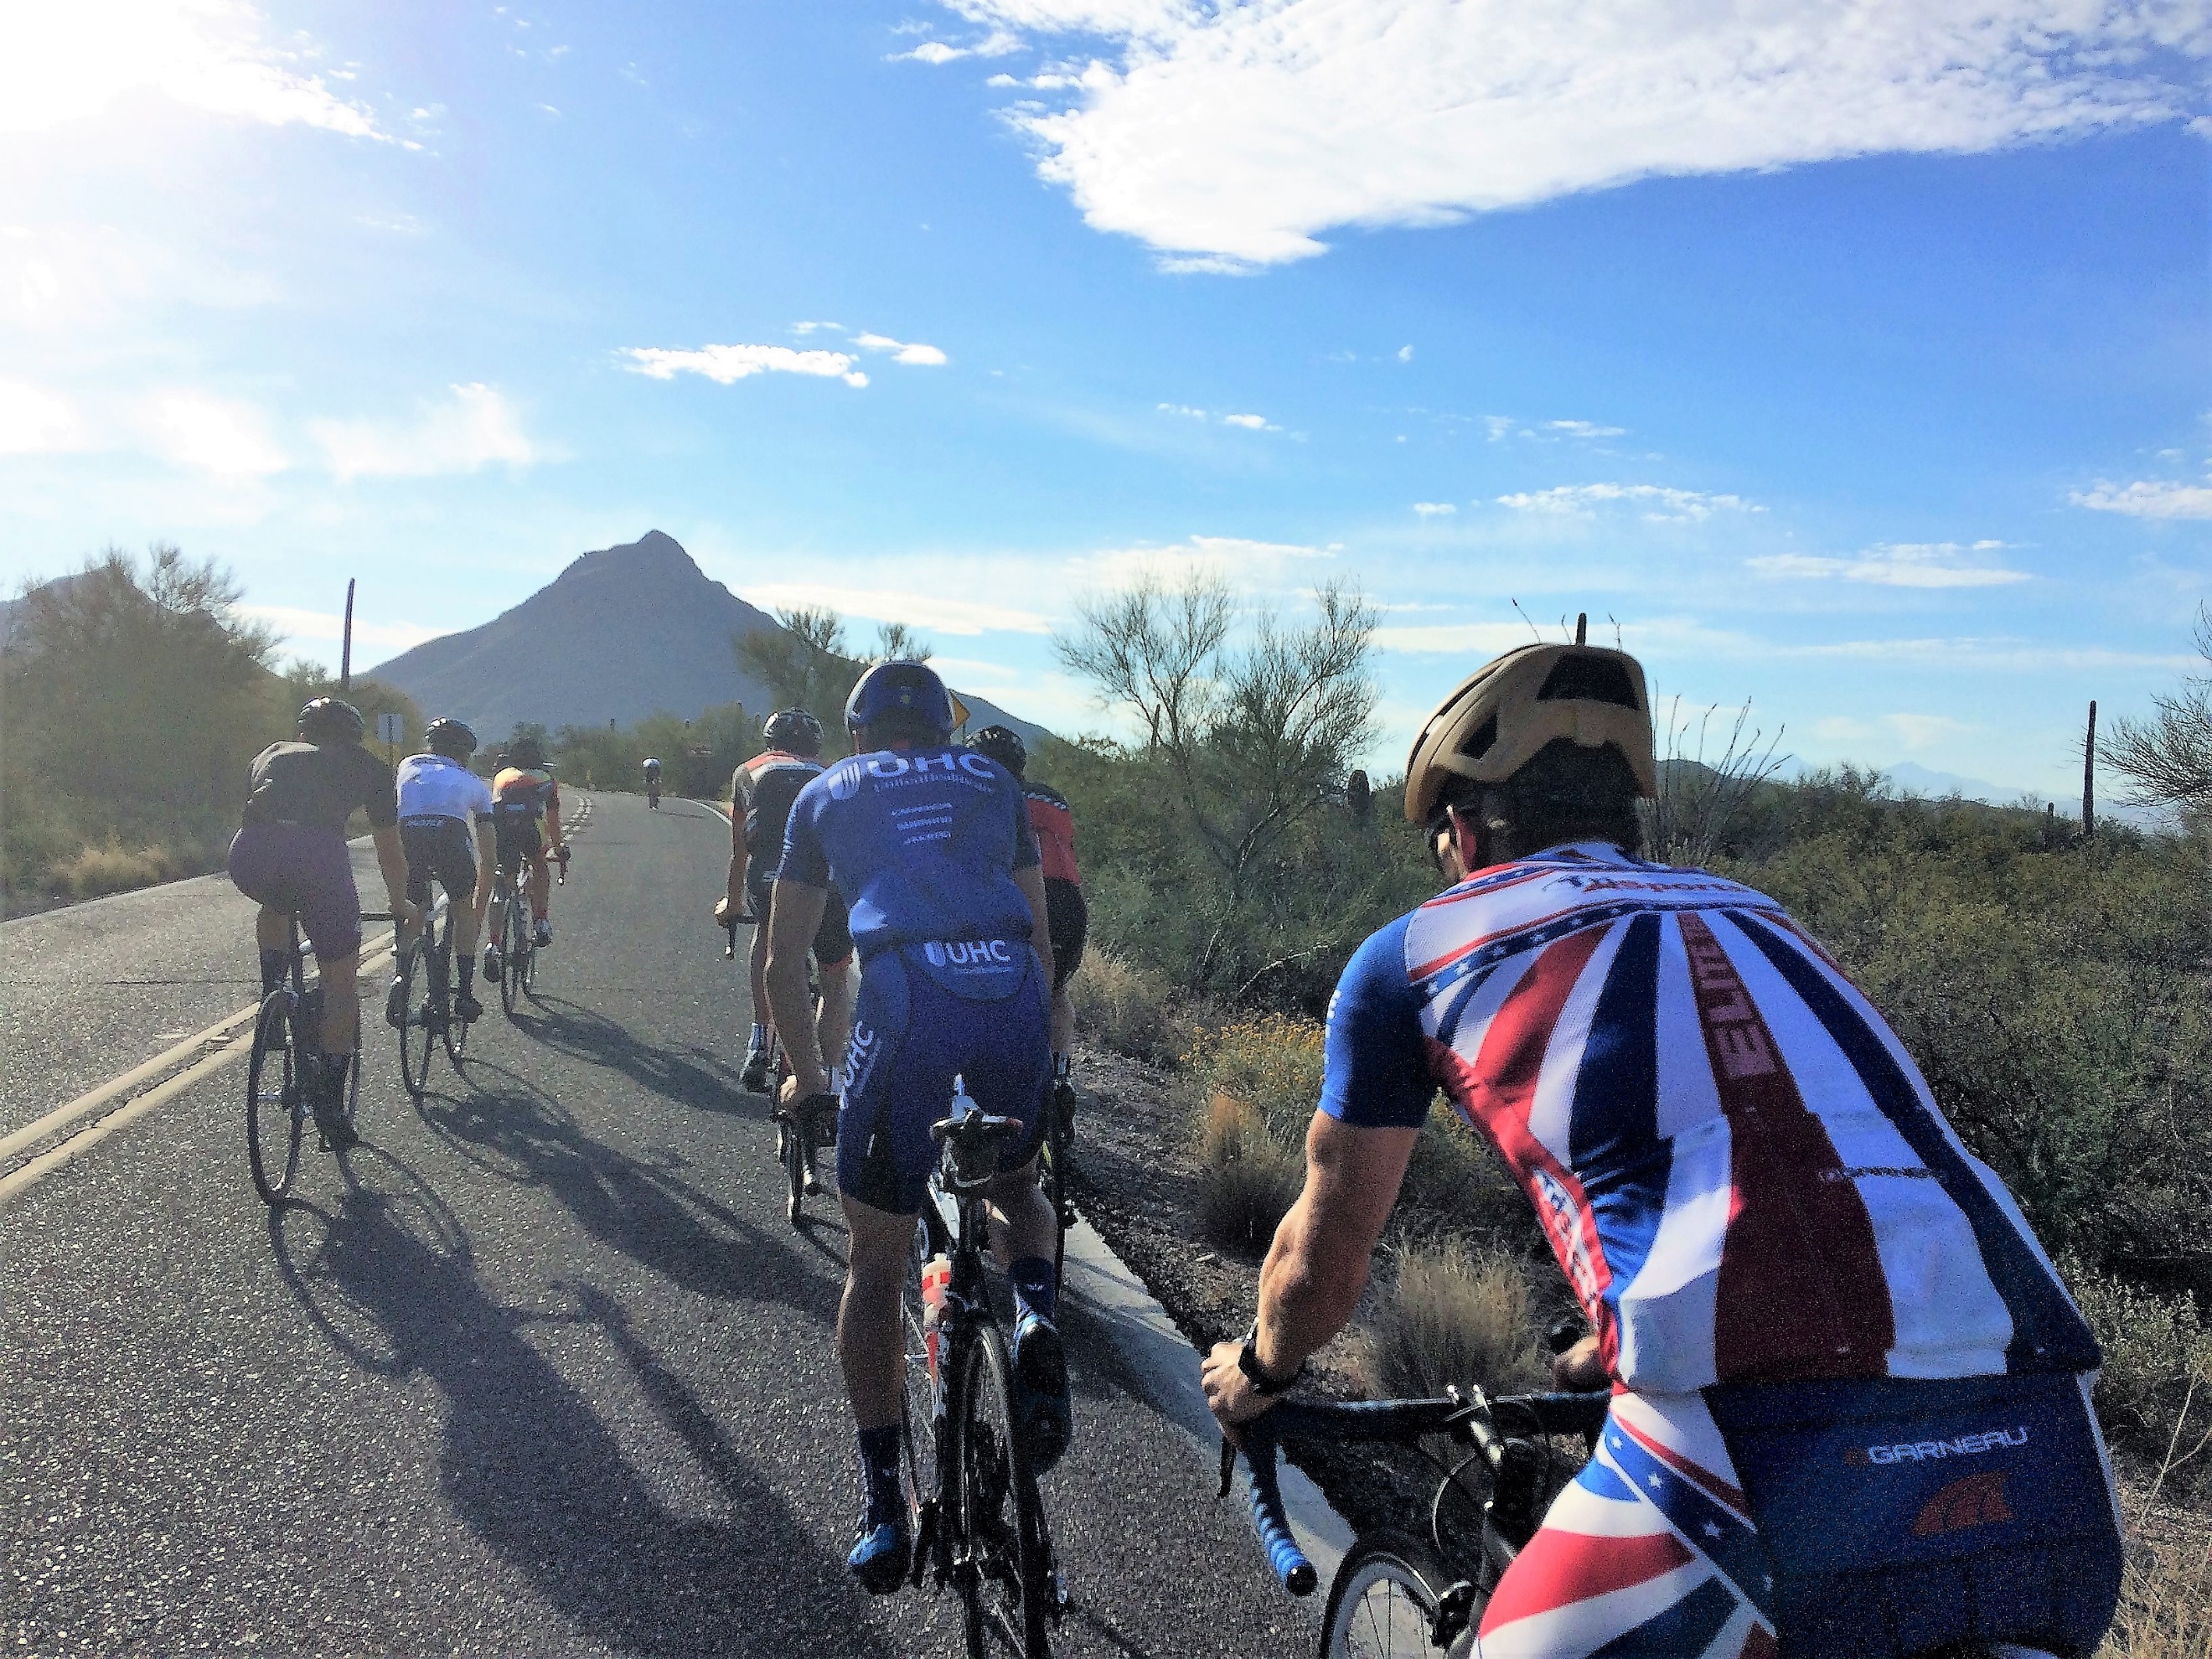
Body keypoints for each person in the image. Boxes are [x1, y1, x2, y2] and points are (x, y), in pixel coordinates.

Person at [1200, 641, 2122, 1659]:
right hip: (2055, 1462)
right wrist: (1609, 1342)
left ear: (1461, 832)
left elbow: (1323, 1263)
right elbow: (1798, 1170)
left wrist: (1259, 1373)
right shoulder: (1762, 918)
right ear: (1628, 820)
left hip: (1750, 1482)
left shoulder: (1416, 952)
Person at [763, 662, 1063, 1593]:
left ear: (857, 734)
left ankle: (885, 1504)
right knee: (1016, 1188)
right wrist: (1044, 1047)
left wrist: (808, 1076)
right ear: (944, 729)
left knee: (876, 1258)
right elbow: (1042, 937)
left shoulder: (824, 791)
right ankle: (1034, 1315)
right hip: (1010, 988)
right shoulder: (994, 780)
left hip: (905, 998)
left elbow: (782, 960)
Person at [227, 696, 419, 1147]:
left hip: (249, 854)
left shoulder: (271, 753)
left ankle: (273, 994)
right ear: (353, 737)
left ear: (302, 733)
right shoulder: (369, 766)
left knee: (276, 905)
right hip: (319, 858)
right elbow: (389, 849)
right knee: (340, 980)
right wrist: (400, 902)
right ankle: (330, 1105)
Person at [716, 708, 854, 1096]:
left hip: (771, 879)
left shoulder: (748, 771)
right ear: (816, 746)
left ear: (769, 741)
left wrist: (731, 903)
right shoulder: (833, 774)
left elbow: (741, 850)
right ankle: (830, 1076)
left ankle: (761, 1037)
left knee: (769, 937)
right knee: (835, 979)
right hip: (831, 885)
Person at [966, 726, 1084, 1105]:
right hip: (1069, 901)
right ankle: (1060, 1076)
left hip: (1020, 894)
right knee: (1056, 991)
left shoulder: (983, 793)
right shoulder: (1054, 799)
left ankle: (1001, 1076)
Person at [385, 718, 496, 1027]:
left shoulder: (407, 764)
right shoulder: (473, 782)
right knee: (461, 907)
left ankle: (401, 976)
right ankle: (464, 993)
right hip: (449, 836)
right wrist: (477, 909)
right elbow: (488, 855)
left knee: (416, 906)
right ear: (465, 754)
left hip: (408, 833)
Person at [484, 735, 564, 971]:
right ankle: (540, 921)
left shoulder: (501, 775)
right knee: (539, 865)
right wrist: (559, 848)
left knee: (502, 884)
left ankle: (493, 944)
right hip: (530, 828)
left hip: (501, 827)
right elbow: (552, 820)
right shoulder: (546, 778)